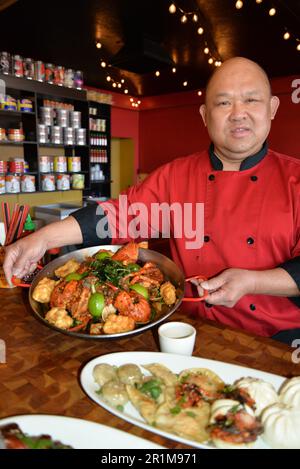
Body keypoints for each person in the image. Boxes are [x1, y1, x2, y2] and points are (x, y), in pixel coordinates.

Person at [4, 57, 300, 344]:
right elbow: (118, 216)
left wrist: (253, 282)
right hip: (186, 330)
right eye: (223, 102)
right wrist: (41, 239)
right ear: (204, 114)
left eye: (251, 100)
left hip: (275, 341)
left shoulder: (295, 179)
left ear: (272, 108)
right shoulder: (175, 176)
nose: (237, 113)